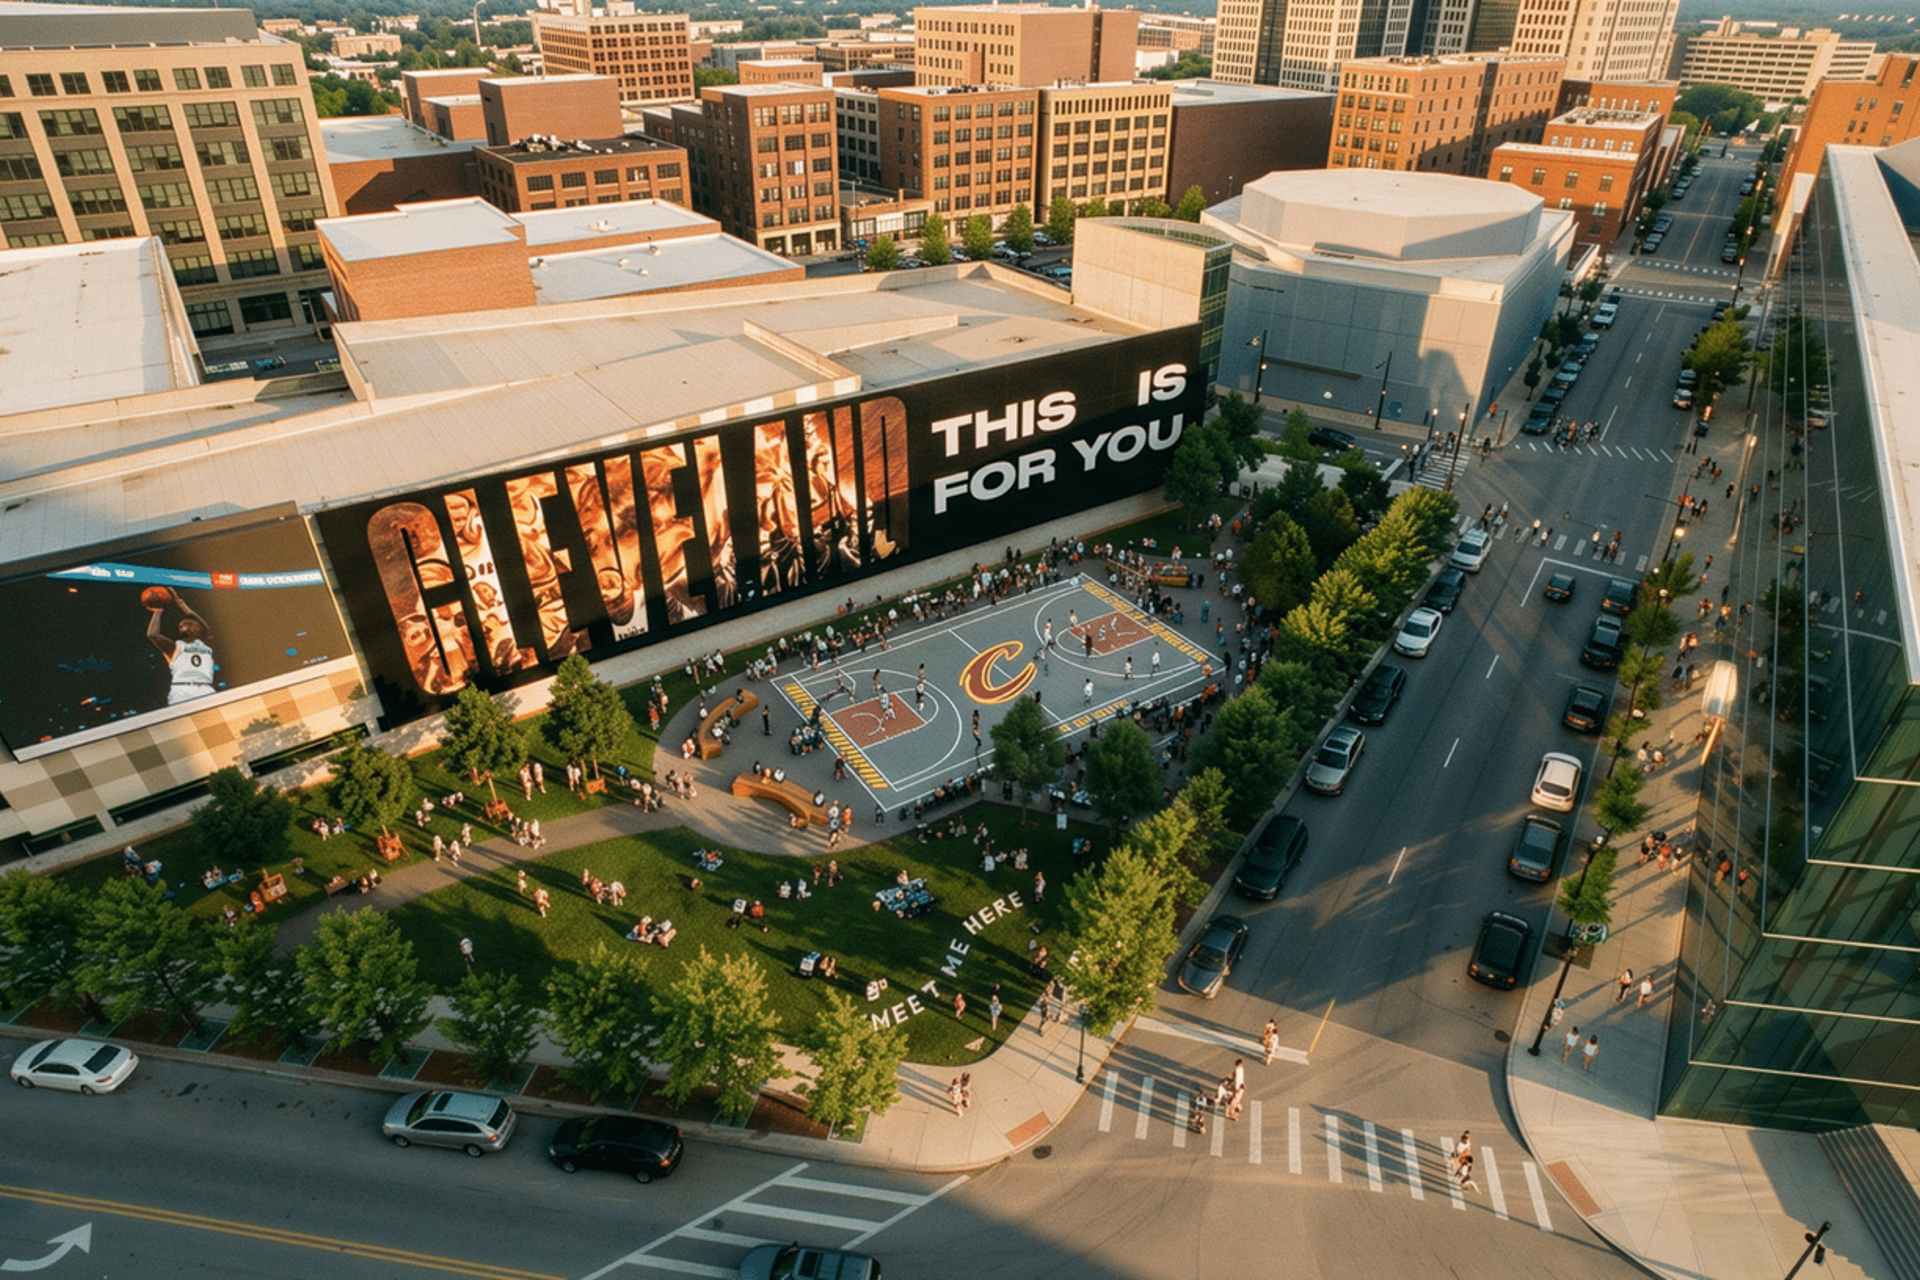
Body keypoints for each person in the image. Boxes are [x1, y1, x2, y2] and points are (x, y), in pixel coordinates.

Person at [145, 589, 217, 705]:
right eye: (183, 625)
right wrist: (158, 610)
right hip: (182, 690)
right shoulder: (174, 647)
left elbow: (208, 631)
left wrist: (185, 608)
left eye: (191, 624)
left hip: (206, 688)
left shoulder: (205, 644)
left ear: (199, 630)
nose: (187, 624)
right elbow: (152, 634)